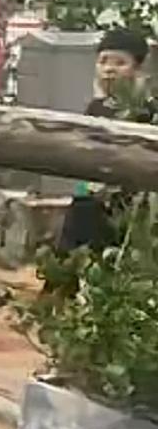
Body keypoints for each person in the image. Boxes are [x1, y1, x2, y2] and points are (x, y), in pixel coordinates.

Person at [59, 25, 155, 256]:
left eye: (120, 63)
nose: (109, 69)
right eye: (103, 61)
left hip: (130, 205)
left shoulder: (148, 111)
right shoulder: (95, 108)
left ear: (138, 69)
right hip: (91, 197)